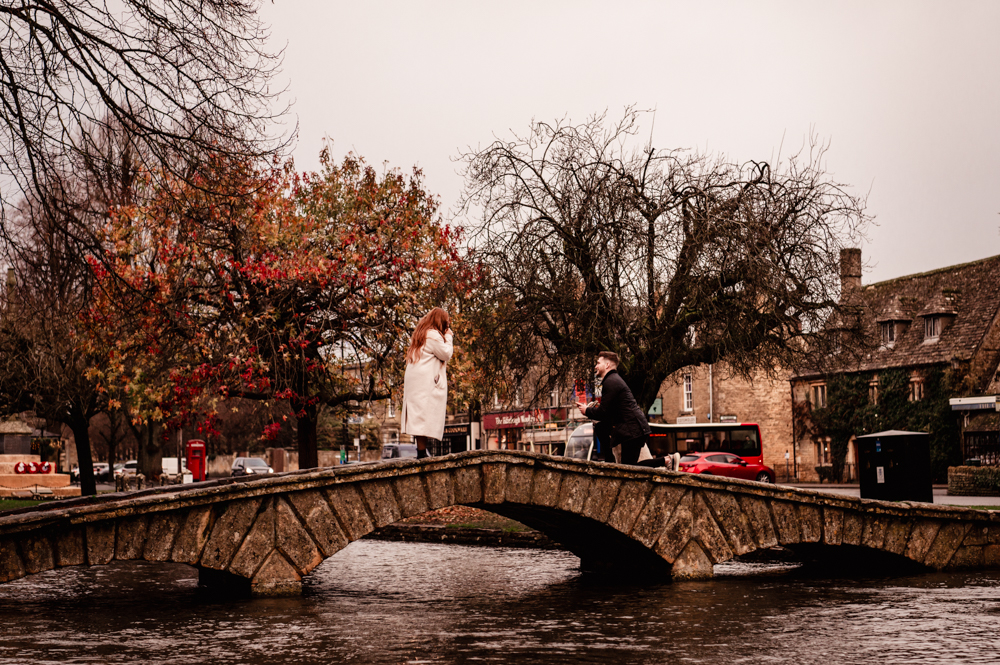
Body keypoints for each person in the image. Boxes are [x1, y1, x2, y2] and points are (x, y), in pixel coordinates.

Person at [575, 351, 668, 467]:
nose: (596, 366)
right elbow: (609, 413)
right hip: (634, 429)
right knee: (631, 467)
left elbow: (603, 412)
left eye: (598, 363)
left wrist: (587, 410)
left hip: (633, 430)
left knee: (629, 469)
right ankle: (667, 461)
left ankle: (667, 460)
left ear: (607, 365)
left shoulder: (611, 382)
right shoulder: (613, 380)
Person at [401, 308, 454, 459]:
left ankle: (421, 453)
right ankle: (422, 454)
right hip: (424, 383)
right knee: (426, 415)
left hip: (416, 382)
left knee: (421, 417)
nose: (448, 325)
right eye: (446, 322)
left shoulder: (421, 335)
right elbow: (446, 353)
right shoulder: (432, 335)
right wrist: (449, 337)